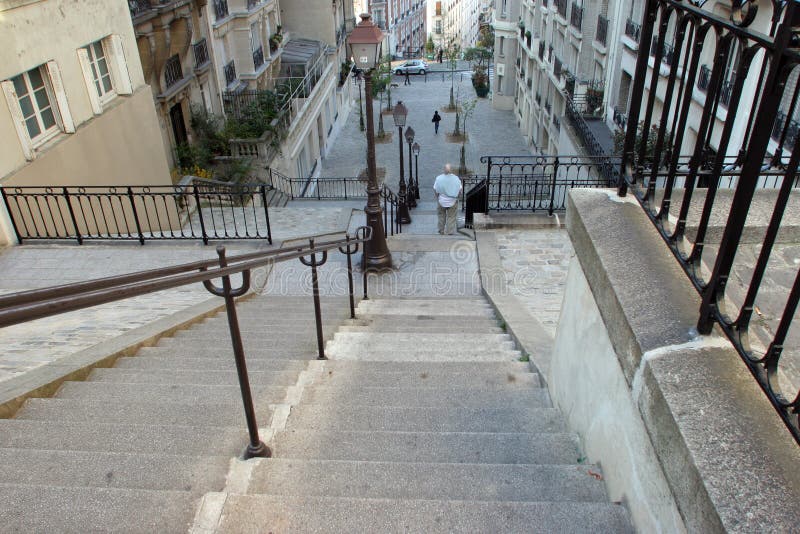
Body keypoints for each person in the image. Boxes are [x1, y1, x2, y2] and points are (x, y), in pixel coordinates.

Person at [433, 164, 462, 235]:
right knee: (451, 217)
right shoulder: (456, 179)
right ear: (451, 170)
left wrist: (437, 197)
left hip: (441, 201)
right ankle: (450, 232)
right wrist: (457, 197)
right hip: (452, 201)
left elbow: (435, 189)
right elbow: (460, 190)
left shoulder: (439, 178)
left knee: (441, 216)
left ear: (444, 170)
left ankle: (441, 230)